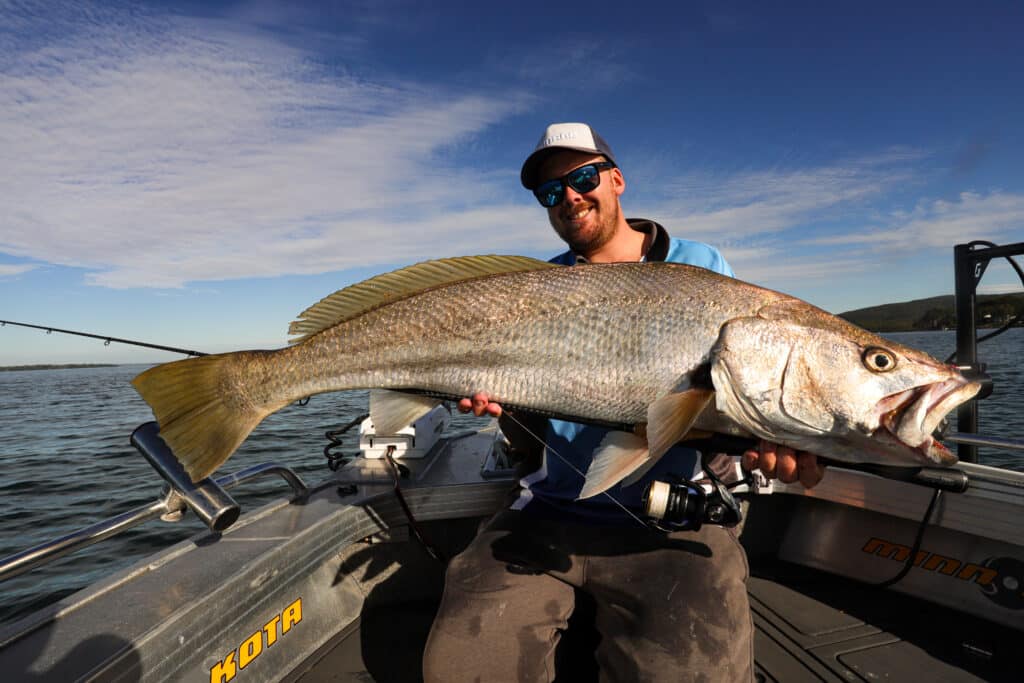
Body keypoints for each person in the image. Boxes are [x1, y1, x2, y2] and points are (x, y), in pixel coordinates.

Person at [422, 123, 824, 682]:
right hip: (545, 514)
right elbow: (530, 432)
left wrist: (775, 438)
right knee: (457, 670)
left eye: (582, 177)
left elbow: (738, 384)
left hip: (671, 523)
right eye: (550, 192)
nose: (569, 197)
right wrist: (499, 408)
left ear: (615, 179)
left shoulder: (699, 266)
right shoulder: (532, 288)